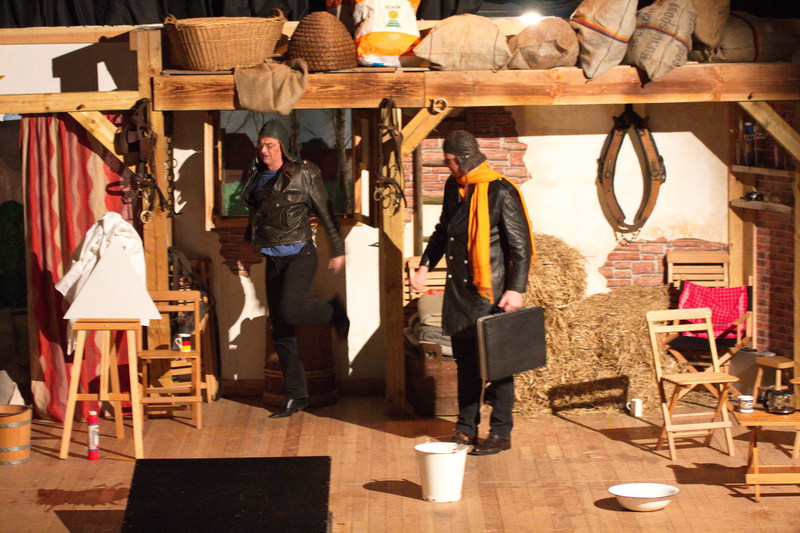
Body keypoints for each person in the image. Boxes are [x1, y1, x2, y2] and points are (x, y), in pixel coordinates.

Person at [411, 130, 534, 455]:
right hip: (460, 293)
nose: (446, 165)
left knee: (498, 366)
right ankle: (465, 429)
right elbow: (443, 231)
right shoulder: (454, 187)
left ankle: (501, 433)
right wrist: (424, 266)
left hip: (491, 292)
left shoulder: (501, 191)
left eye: (449, 161)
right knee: (465, 365)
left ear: (463, 159)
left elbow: (521, 247)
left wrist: (516, 289)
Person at [241, 119, 349, 419]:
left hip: (300, 255)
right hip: (272, 259)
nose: (264, 150)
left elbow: (325, 212)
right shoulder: (256, 176)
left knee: (290, 310)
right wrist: (246, 245)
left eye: (270, 145)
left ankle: (334, 311)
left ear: (282, 146)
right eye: (261, 145)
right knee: (281, 331)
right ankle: (295, 395)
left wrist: (337, 248)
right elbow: (256, 216)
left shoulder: (304, 173)